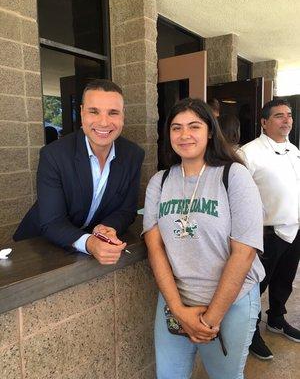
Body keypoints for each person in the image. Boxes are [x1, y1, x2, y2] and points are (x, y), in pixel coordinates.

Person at [143, 98, 265, 379]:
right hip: (175, 303)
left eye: (194, 126)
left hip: (230, 304)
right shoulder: (159, 182)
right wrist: (178, 310)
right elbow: (155, 247)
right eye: (176, 128)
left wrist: (210, 319)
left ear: (210, 131)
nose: (184, 135)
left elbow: (244, 253)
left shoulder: (234, 176)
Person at [14, 79, 145, 265]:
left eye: (113, 113)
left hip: (81, 254)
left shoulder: (133, 154)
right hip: (35, 247)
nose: (104, 122)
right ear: (82, 113)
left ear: (123, 116)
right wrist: (90, 243)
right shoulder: (54, 155)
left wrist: (108, 227)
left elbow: (127, 209)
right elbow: (52, 221)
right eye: (94, 111)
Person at [239, 99, 300, 360]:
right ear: (264, 122)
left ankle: (276, 318)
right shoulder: (248, 153)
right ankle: (250, 331)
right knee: (256, 287)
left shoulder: (294, 150)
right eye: (278, 116)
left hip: (295, 228)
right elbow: (239, 196)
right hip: (267, 232)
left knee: (284, 281)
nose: (286, 120)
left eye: (288, 115)